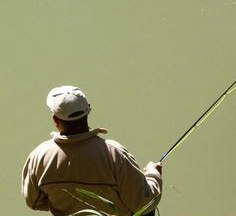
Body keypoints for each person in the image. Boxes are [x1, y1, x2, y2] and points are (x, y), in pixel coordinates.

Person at [22, 86, 162, 216]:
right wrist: (153, 173)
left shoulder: (39, 156)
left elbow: (34, 202)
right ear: (88, 110)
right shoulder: (114, 153)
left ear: (55, 119)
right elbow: (144, 203)